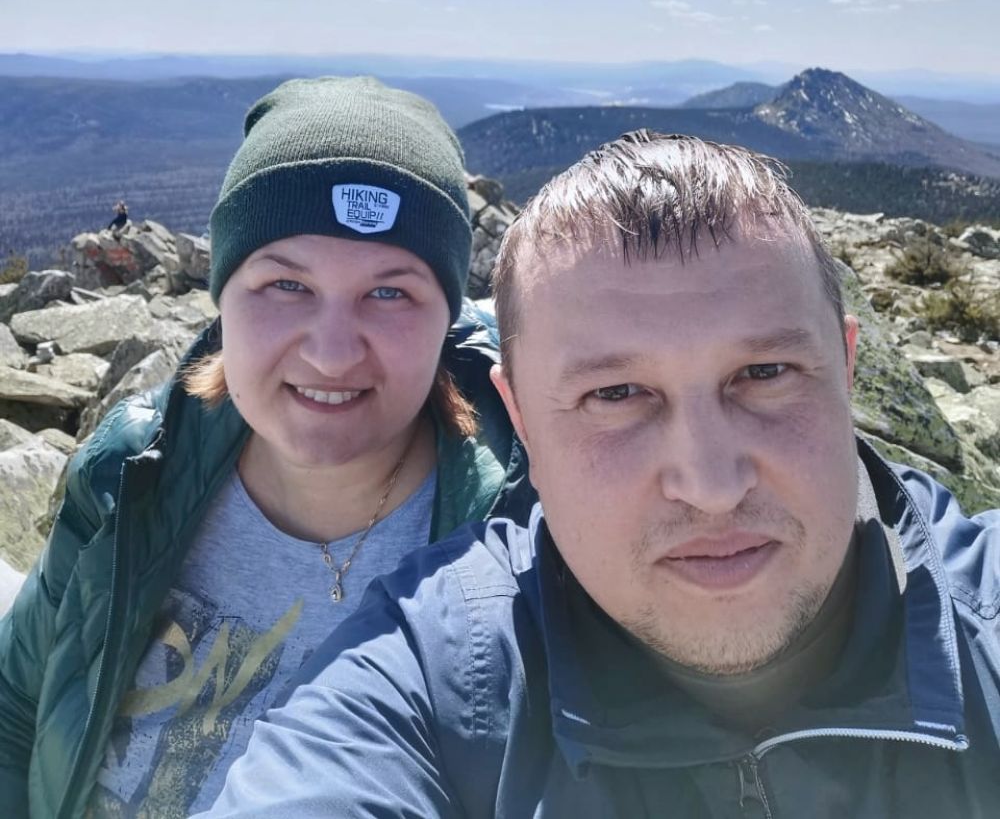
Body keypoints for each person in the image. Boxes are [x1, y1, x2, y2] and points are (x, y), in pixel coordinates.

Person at [203, 131, 1000, 818]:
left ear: (846, 372)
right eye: (615, 394)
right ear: (522, 422)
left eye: (764, 373)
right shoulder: (431, 681)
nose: (711, 484)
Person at [0, 76, 531, 819]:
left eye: (390, 292)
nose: (332, 353)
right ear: (222, 295)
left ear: (448, 315)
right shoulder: (132, 469)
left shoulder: (523, 538)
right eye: (286, 283)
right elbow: (17, 709)